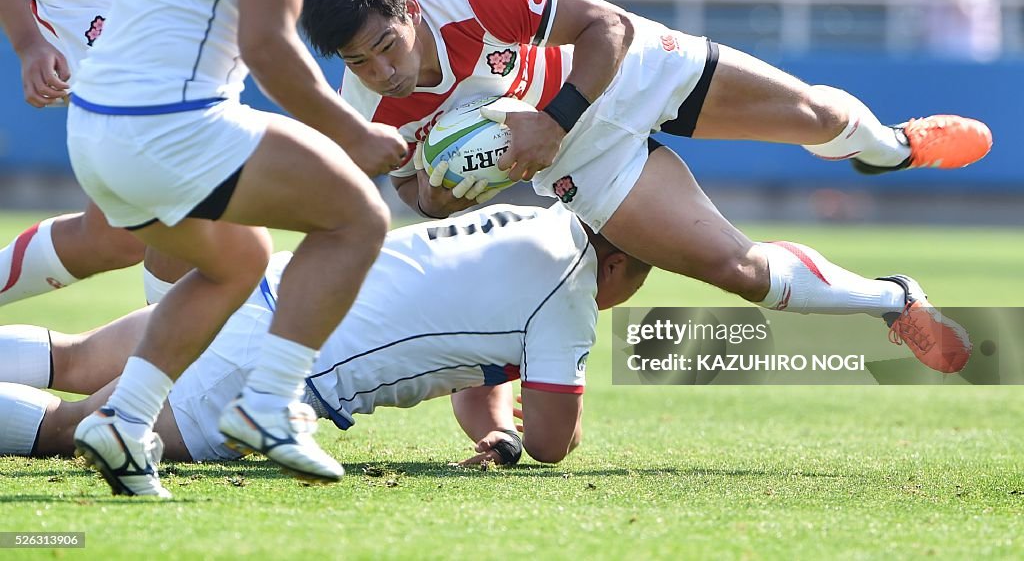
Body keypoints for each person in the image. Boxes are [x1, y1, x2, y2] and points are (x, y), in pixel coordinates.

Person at [299, 0, 983, 376]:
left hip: (630, 73)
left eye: (387, 45)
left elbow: (609, 28)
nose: (382, 71)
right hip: (584, 159)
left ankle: (893, 147)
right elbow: (413, 190)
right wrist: (444, 196)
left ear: (408, 9)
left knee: (818, 117)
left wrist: (552, 119)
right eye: (360, 61)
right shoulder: (365, 108)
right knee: (737, 272)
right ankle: (896, 299)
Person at [64, 0, 407, 498]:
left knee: (238, 259)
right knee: (358, 219)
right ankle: (269, 403)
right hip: (168, 123)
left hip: (94, 126)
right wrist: (354, 133)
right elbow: (266, 45)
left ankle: (124, 421)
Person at [0, 204, 652, 469]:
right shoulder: (570, 294)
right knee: (79, 427)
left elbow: (469, 369)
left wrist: (498, 430)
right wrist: (546, 426)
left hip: (274, 287)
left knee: (74, 357)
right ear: (619, 263)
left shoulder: (531, 218)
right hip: (278, 364)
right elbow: (553, 443)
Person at [0, 0, 362, 307]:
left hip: (175, 22)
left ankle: (162, 359)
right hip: (94, 16)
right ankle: (174, 363)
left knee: (117, 237)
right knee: (188, 187)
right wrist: (27, 43)